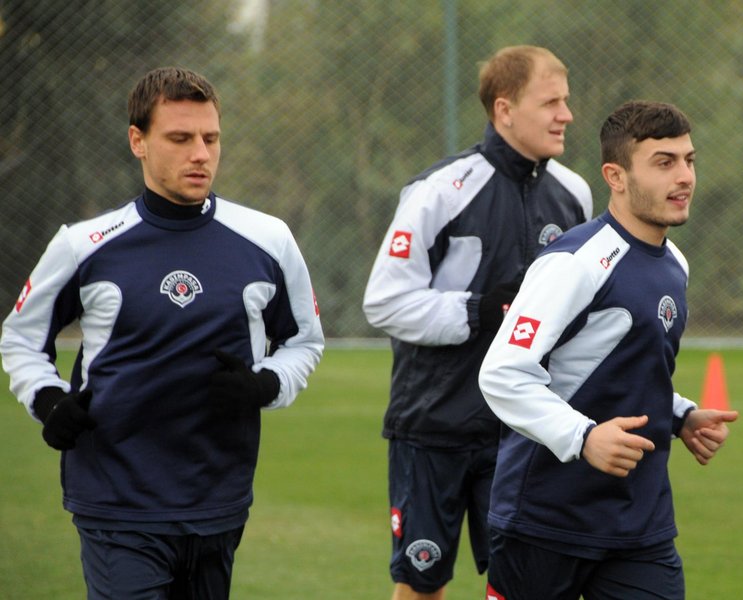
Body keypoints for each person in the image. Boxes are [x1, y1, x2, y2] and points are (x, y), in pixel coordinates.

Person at [0, 67, 324, 598]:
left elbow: (304, 341)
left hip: (219, 499)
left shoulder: (269, 240)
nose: (200, 154)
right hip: (115, 500)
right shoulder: (83, 245)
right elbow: (20, 338)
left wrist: (266, 384)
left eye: (210, 139)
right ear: (139, 141)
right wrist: (48, 399)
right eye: (180, 138)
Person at [478, 100, 739, 600]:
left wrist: (680, 415)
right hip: (545, 519)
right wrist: (584, 437)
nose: (684, 177)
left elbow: (623, 368)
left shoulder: (675, 263)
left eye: (689, 160)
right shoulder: (573, 264)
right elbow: (503, 373)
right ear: (615, 176)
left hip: (639, 524)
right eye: (664, 163)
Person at [363, 46, 592, 600]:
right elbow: (384, 302)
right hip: (434, 427)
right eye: (551, 103)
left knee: (523, 586)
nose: (566, 115)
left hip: (523, 431)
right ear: (504, 109)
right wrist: (477, 310)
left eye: (566, 101)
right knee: (422, 587)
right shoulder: (440, 191)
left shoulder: (575, 195)